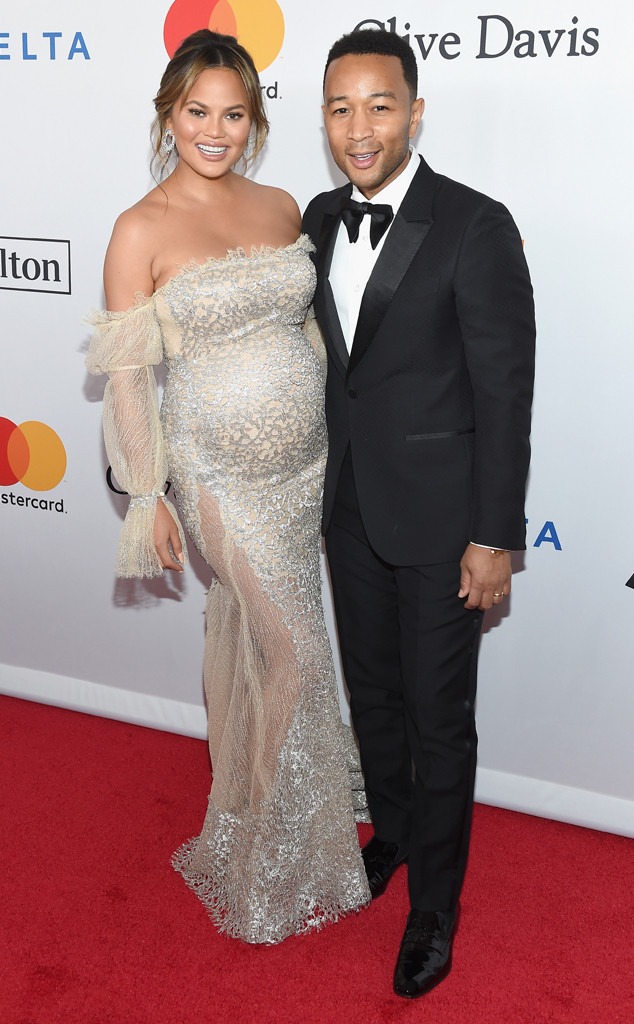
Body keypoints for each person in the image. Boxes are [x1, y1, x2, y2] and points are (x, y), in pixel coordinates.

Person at [86, 29, 369, 944]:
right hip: (219, 476)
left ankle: (252, 810)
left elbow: (315, 338)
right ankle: (268, 850)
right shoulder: (140, 228)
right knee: (299, 654)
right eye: (197, 111)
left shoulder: (283, 203)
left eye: (234, 113)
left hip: (307, 465)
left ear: (255, 120)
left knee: (265, 643)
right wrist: (146, 494)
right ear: (169, 115)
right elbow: (130, 378)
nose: (216, 130)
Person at [303, 29, 535, 996]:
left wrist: (495, 536)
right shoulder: (315, 216)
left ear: (416, 109)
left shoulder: (476, 225)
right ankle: (391, 833)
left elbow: (503, 395)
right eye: (340, 109)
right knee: (377, 698)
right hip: (349, 507)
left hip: (446, 525)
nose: (360, 130)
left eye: (380, 106)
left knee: (442, 719)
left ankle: (434, 908)